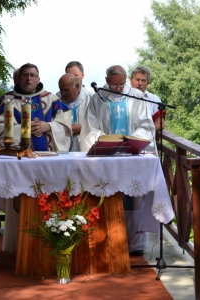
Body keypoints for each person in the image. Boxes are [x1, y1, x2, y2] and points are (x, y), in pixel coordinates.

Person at [79, 65, 156, 256]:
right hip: (106, 156)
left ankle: (134, 244)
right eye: (114, 85)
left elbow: (146, 125)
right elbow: (90, 126)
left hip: (130, 156)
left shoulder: (136, 97)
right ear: (107, 81)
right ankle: (107, 241)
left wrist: (133, 139)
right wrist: (103, 139)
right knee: (107, 194)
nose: (119, 88)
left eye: (121, 84)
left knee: (134, 196)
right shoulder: (98, 98)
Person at [0, 63, 72, 151]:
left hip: (49, 157)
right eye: (25, 75)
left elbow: (66, 124)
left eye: (32, 75)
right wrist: (23, 128)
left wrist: (49, 126)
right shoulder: (9, 102)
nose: (28, 79)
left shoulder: (51, 99)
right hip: (19, 157)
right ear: (18, 79)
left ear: (38, 80)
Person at [57, 73, 91, 151]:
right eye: (60, 89)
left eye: (66, 90)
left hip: (84, 150)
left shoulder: (90, 99)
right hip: (62, 150)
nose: (63, 93)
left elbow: (99, 128)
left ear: (77, 86)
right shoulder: (56, 100)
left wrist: (83, 130)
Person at [130, 66, 165, 131]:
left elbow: (161, 123)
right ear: (131, 80)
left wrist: (143, 132)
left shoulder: (154, 99)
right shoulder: (123, 97)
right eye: (137, 80)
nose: (140, 83)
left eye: (143, 81)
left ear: (148, 83)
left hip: (147, 138)